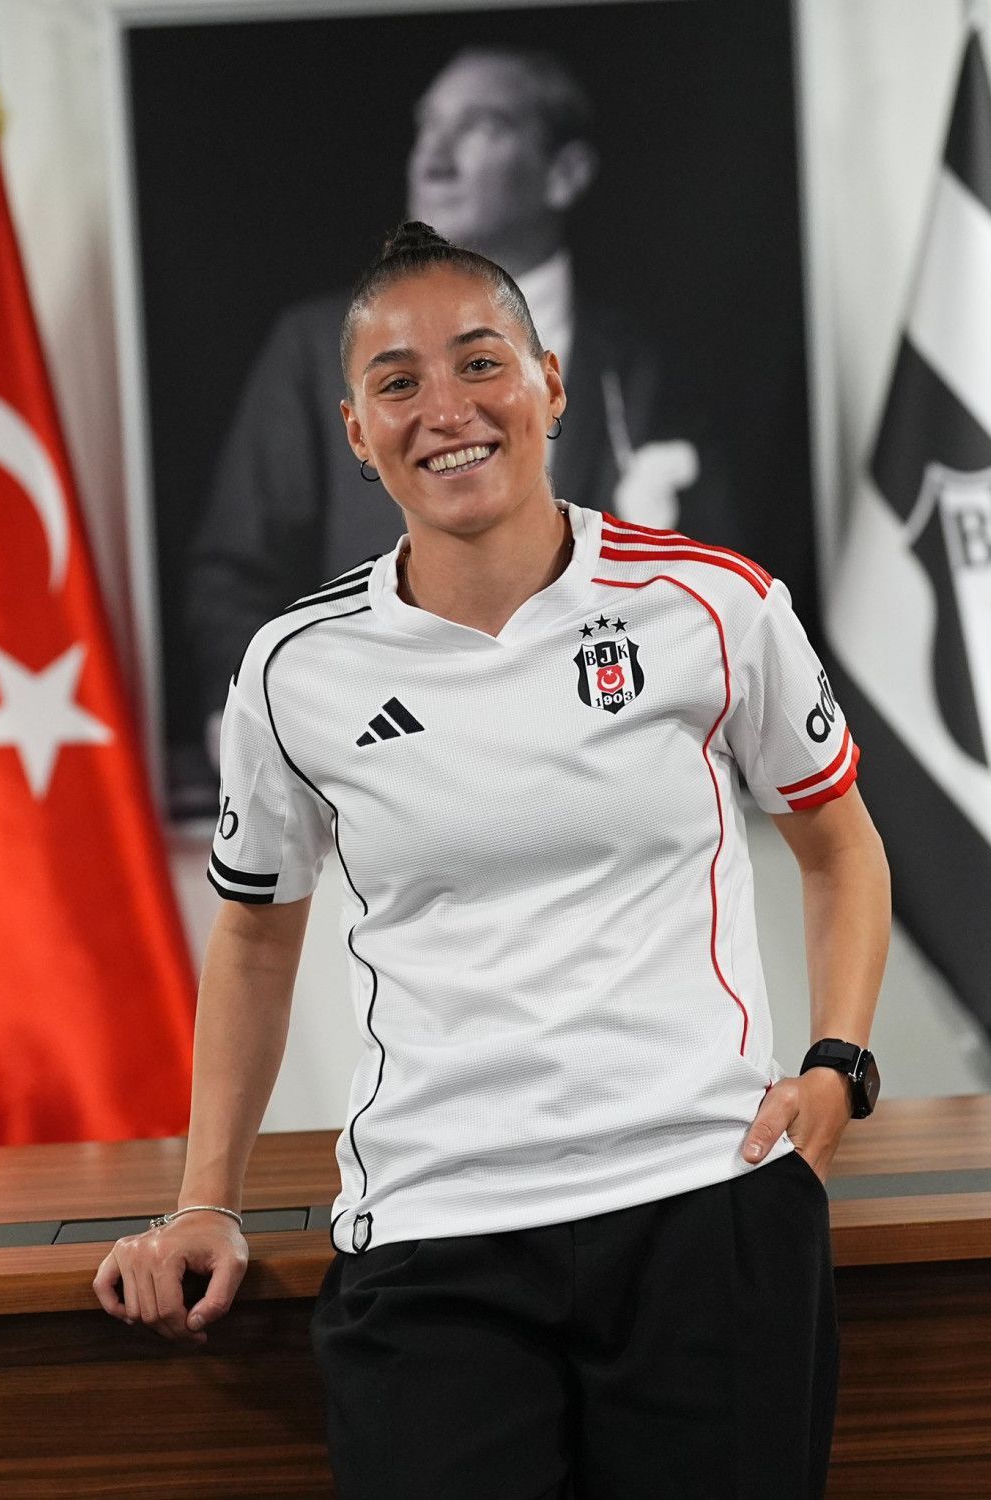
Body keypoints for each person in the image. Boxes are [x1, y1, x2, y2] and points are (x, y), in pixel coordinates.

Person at [95, 223, 890, 1499]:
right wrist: (206, 1201)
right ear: (356, 432)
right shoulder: (293, 669)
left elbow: (840, 848)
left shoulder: (716, 603)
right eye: (397, 382)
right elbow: (254, 941)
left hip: (706, 1201)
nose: (446, 410)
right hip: (432, 1231)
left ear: (549, 384)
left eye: (480, 362)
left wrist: (839, 1065)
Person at [186, 45, 724, 765]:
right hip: (385, 772)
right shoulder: (317, 348)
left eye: (482, 127)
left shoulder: (652, 362)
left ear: (565, 173)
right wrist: (271, 733)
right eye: (427, 127)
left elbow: (709, 586)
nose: (433, 159)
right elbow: (236, 576)